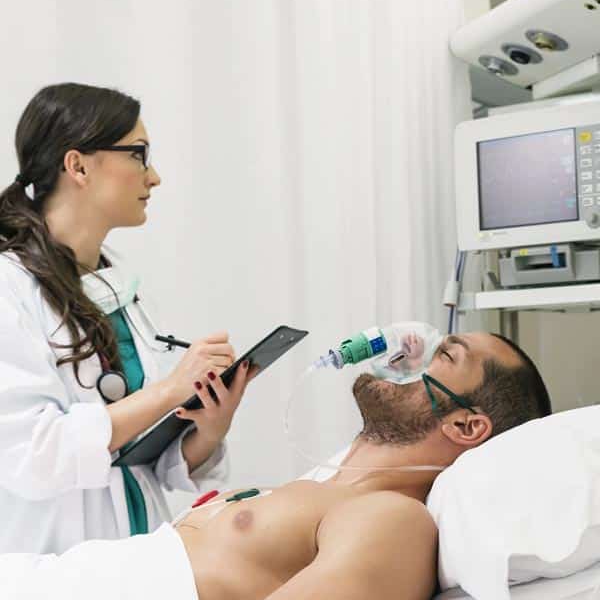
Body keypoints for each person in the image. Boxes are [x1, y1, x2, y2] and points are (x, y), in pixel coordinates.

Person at [0, 331, 552, 600]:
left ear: (465, 426)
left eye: (442, 357)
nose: (410, 360)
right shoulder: (322, 490)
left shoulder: (393, 520)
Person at [0, 83, 254, 554]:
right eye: (138, 154)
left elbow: (141, 458)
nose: (153, 176)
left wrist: (209, 427)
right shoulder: (8, 288)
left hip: (139, 556)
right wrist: (169, 389)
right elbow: (31, 454)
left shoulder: (114, 289)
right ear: (77, 166)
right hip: (53, 562)